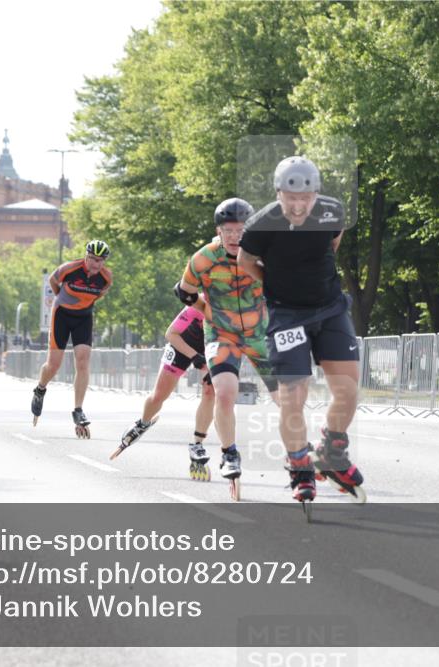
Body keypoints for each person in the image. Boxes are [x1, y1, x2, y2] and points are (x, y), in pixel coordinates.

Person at [237, 156, 365, 506]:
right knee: (293, 397)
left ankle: (332, 450)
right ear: (278, 194)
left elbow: (332, 245)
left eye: (305, 198)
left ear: (316, 194)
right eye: (290, 198)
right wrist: (275, 284)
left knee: (349, 389)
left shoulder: (332, 212)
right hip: (287, 315)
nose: (298, 206)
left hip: (329, 307)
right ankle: (300, 467)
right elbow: (245, 263)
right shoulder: (261, 225)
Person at [175, 199, 279, 499]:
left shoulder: (263, 254)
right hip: (222, 335)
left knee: (285, 397)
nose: (234, 236)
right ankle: (229, 452)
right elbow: (184, 291)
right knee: (224, 392)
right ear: (218, 231)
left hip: (260, 335)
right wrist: (207, 311)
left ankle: (300, 455)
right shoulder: (204, 258)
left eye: (240, 230)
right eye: (228, 230)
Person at [113, 296, 216, 480]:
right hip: (182, 346)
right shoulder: (200, 302)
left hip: (210, 348)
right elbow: (170, 334)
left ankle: (197, 444)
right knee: (159, 395)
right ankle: (142, 422)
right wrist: (194, 356)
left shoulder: (235, 305)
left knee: (210, 390)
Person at [30, 239, 113, 438]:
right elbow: (52, 280)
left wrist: (83, 304)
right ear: (86, 256)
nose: (96, 264)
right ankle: (40, 389)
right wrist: (61, 298)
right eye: (93, 259)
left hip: (84, 317)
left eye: (100, 261)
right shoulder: (69, 269)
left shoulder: (106, 278)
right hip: (62, 315)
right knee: (54, 365)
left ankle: (78, 409)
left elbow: (100, 294)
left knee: (83, 361)